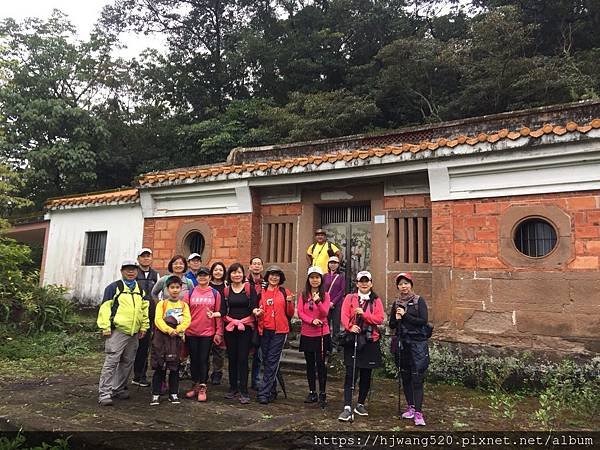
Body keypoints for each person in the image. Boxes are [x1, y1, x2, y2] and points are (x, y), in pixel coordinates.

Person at [97, 260, 150, 406]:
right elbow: (105, 308)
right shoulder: (114, 287)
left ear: (137, 271)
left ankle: (118, 388)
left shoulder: (140, 289)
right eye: (127, 269)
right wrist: (105, 326)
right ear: (122, 271)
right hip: (117, 331)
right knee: (112, 361)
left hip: (134, 332)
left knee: (127, 362)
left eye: (133, 269)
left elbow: (144, 310)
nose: (131, 272)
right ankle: (104, 393)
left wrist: (144, 326)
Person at [337, 270, 384, 422]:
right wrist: (350, 326)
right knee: (351, 373)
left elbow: (379, 318)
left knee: (366, 374)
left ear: (371, 283)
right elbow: (343, 315)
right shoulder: (350, 298)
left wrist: (364, 315)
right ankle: (347, 406)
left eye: (367, 281)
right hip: (354, 339)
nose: (364, 284)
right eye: (361, 281)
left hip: (370, 341)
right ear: (357, 283)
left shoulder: (376, 300)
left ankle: (361, 403)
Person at [389, 272, 430, 427]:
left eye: (406, 283)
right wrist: (396, 318)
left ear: (411, 284)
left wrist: (405, 316)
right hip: (402, 343)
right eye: (400, 284)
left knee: (417, 378)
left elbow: (423, 321)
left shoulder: (419, 301)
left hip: (417, 344)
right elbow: (392, 324)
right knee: (405, 376)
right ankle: (411, 407)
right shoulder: (396, 303)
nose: (403, 286)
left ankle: (419, 413)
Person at [253, 265, 294, 404]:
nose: (274, 277)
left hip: (280, 331)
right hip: (264, 330)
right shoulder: (262, 292)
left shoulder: (284, 291)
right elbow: (257, 309)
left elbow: (290, 313)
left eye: (277, 275)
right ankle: (272, 390)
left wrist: (289, 303)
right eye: (272, 274)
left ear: (280, 278)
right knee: (266, 360)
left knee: (272, 361)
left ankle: (263, 393)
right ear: (267, 276)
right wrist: (257, 313)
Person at [183, 266, 223, 402]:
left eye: (205, 275)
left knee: (203, 359)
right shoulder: (190, 292)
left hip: (207, 332)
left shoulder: (215, 293)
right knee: (194, 359)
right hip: (191, 331)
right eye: (200, 275)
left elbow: (218, 314)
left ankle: (203, 386)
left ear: (210, 277)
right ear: (197, 277)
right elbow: (185, 313)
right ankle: (194, 384)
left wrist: (219, 332)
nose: (202, 277)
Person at [150, 275, 191, 406]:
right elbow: (158, 320)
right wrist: (169, 330)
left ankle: (173, 393)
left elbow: (187, 320)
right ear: (167, 289)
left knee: (174, 367)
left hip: (176, 340)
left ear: (181, 289)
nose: (174, 290)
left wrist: (178, 329)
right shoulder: (162, 304)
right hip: (163, 338)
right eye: (172, 287)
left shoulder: (184, 305)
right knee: (160, 366)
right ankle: (155, 394)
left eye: (177, 287)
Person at [221, 262, 258, 404]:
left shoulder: (249, 289)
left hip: (246, 328)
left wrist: (256, 311)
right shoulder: (226, 291)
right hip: (230, 327)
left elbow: (254, 305)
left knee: (243, 358)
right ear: (229, 275)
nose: (237, 275)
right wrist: (216, 314)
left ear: (243, 274)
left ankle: (244, 390)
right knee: (232, 358)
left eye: (239, 272)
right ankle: (233, 388)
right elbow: (224, 310)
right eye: (234, 272)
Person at [297, 266, 331, 408]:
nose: (314, 280)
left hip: (321, 334)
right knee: (309, 364)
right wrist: (311, 320)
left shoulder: (325, 295)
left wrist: (318, 301)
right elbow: (300, 312)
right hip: (307, 333)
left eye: (317, 277)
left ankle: (322, 392)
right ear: (308, 279)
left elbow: (325, 313)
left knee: (321, 364)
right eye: (312, 277)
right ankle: (312, 391)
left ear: (321, 279)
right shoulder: (304, 294)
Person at [132, 248, 160, 387]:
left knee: (144, 346)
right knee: (131, 346)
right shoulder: (133, 273)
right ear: (138, 259)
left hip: (150, 315)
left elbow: (158, 295)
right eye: (143, 256)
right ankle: (127, 375)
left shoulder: (156, 274)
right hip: (134, 315)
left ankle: (140, 375)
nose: (146, 259)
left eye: (148, 256)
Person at [246, 256, 264, 390]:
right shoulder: (244, 282)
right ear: (250, 266)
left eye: (259, 264)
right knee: (244, 353)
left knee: (259, 353)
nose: (256, 266)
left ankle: (256, 380)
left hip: (261, 321)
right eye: (254, 264)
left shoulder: (266, 283)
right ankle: (242, 380)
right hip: (246, 321)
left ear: (262, 267)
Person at [208, 261, 227, 385]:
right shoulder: (207, 285)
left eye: (220, 270)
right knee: (205, 348)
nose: (218, 272)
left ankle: (217, 372)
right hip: (207, 320)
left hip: (222, 319)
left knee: (219, 349)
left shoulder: (227, 286)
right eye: (215, 270)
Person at [323, 255, 346, 349]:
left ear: (338, 265)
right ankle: (327, 343)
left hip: (337, 304)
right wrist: (327, 302)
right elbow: (323, 290)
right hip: (326, 303)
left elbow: (342, 290)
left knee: (336, 324)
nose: (333, 265)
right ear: (328, 264)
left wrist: (333, 302)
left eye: (335, 263)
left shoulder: (341, 276)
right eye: (331, 262)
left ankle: (335, 344)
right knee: (326, 323)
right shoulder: (325, 276)